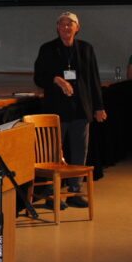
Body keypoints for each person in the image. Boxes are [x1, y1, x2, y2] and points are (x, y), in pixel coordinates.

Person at [33, 11, 107, 208]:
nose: (66, 27)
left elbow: (93, 79)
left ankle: (74, 192)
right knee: (53, 153)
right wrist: (56, 79)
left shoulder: (86, 49)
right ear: (57, 28)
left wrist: (99, 106)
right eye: (62, 24)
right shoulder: (48, 49)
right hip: (56, 110)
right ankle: (50, 195)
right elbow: (38, 77)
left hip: (81, 109)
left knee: (79, 152)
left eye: (70, 24)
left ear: (77, 27)